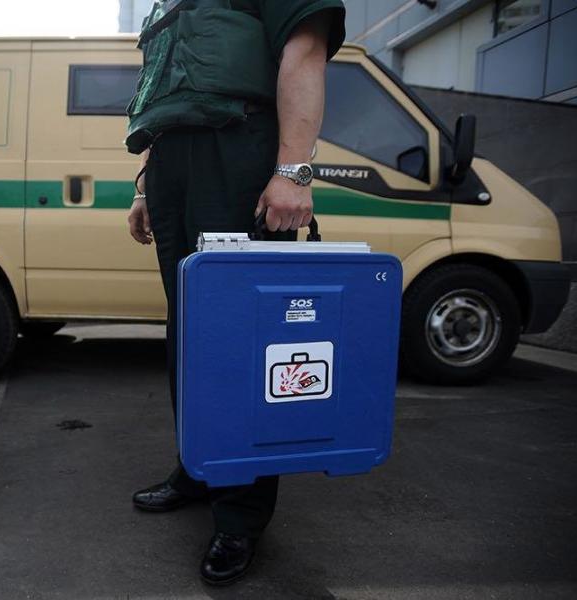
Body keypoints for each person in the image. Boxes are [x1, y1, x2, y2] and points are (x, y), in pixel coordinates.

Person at [125, 0, 346, 586]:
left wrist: (293, 171)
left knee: (240, 338)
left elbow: (305, 51)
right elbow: (166, 90)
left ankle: (241, 512)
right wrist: (146, 184)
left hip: (238, 148)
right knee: (188, 330)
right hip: (174, 159)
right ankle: (199, 466)